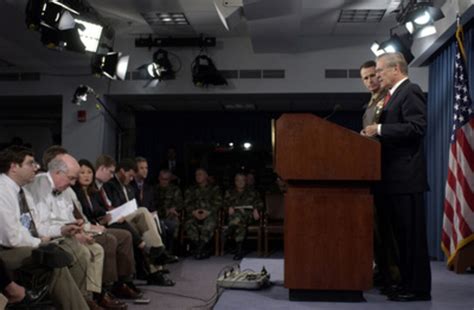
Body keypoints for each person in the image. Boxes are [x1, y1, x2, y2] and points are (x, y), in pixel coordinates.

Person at [362, 52, 431, 302]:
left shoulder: (410, 90)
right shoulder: (392, 96)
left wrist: (379, 128)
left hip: (406, 178)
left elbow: (417, 128)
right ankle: (405, 283)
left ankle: (418, 289)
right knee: (400, 238)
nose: (377, 75)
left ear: (396, 69)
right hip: (393, 179)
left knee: (411, 238)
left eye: (380, 71)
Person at [0, 145, 89, 309]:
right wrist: (38, 242)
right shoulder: (3, 191)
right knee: (52, 258)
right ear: (13, 166)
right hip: (5, 252)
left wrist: (61, 230)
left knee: (55, 255)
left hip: (19, 245)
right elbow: (11, 238)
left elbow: (35, 225)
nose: (37, 167)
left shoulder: (21, 192)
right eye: (30, 163)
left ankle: (80, 303)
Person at [96, 155, 176, 286]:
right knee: (143, 212)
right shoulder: (109, 186)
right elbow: (110, 208)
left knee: (146, 223)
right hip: (116, 219)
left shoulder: (129, 187)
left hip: (128, 220)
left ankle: (155, 270)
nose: (132, 179)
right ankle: (159, 253)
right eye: (130, 176)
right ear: (122, 171)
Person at [360, 60, 400, 292]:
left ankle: (393, 275)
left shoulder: (390, 99)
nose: (370, 81)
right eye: (365, 78)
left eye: (373, 75)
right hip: (372, 174)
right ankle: (381, 270)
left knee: (388, 230)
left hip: (388, 172)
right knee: (375, 229)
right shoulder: (369, 104)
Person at [223, 173, 263, 260]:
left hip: (248, 216)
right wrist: (228, 207)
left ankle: (227, 233)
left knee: (239, 218)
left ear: (246, 181)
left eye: (243, 180)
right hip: (234, 217)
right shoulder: (229, 192)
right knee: (240, 224)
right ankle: (239, 251)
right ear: (235, 181)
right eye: (238, 180)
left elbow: (260, 203)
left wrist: (256, 209)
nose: (240, 182)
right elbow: (224, 204)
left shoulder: (252, 192)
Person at [184, 168, 222, 259]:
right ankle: (201, 249)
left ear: (206, 176)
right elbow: (186, 203)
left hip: (209, 214)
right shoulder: (191, 189)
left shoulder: (214, 188)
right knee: (189, 223)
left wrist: (208, 212)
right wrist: (193, 211)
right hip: (194, 214)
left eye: (200, 174)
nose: (198, 176)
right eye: (196, 174)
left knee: (209, 224)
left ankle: (199, 249)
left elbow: (219, 203)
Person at [154, 169, 184, 254]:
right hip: (157, 215)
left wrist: (172, 210)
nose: (164, 181)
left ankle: (170, 250)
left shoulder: (175, 189)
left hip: (171, 215)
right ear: (159, 178)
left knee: (174, 222)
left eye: (166, 179)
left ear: (170, 179)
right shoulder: (154, 190)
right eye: (162, 179)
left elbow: (180, 204)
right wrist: (166, 211)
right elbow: (152, 206)